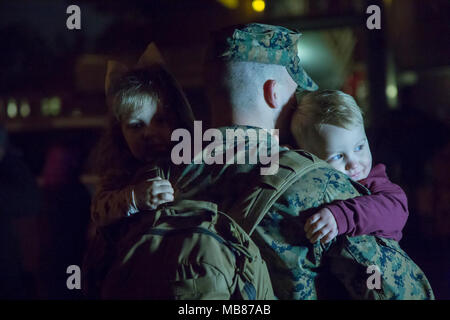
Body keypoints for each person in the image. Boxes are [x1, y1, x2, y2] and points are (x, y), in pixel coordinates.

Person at [166, 23, 434, 299]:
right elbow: (401, 293)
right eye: (295, 94)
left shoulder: (167, 176)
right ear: (274, 93)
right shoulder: (316, 184)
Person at [90, 43, 195, 229]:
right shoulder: (118, 174)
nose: (148, 133)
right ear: (119, 133)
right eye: (136, 126)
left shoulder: (195, 164)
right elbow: (98, 212)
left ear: (178, 120)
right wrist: (134, 199)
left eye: (160, 120)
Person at [290, 90, 408, 244]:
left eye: (359, 147)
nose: (353, 163)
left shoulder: (375, 182)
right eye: (338, 156)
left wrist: (342, 216)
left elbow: (396, 210)